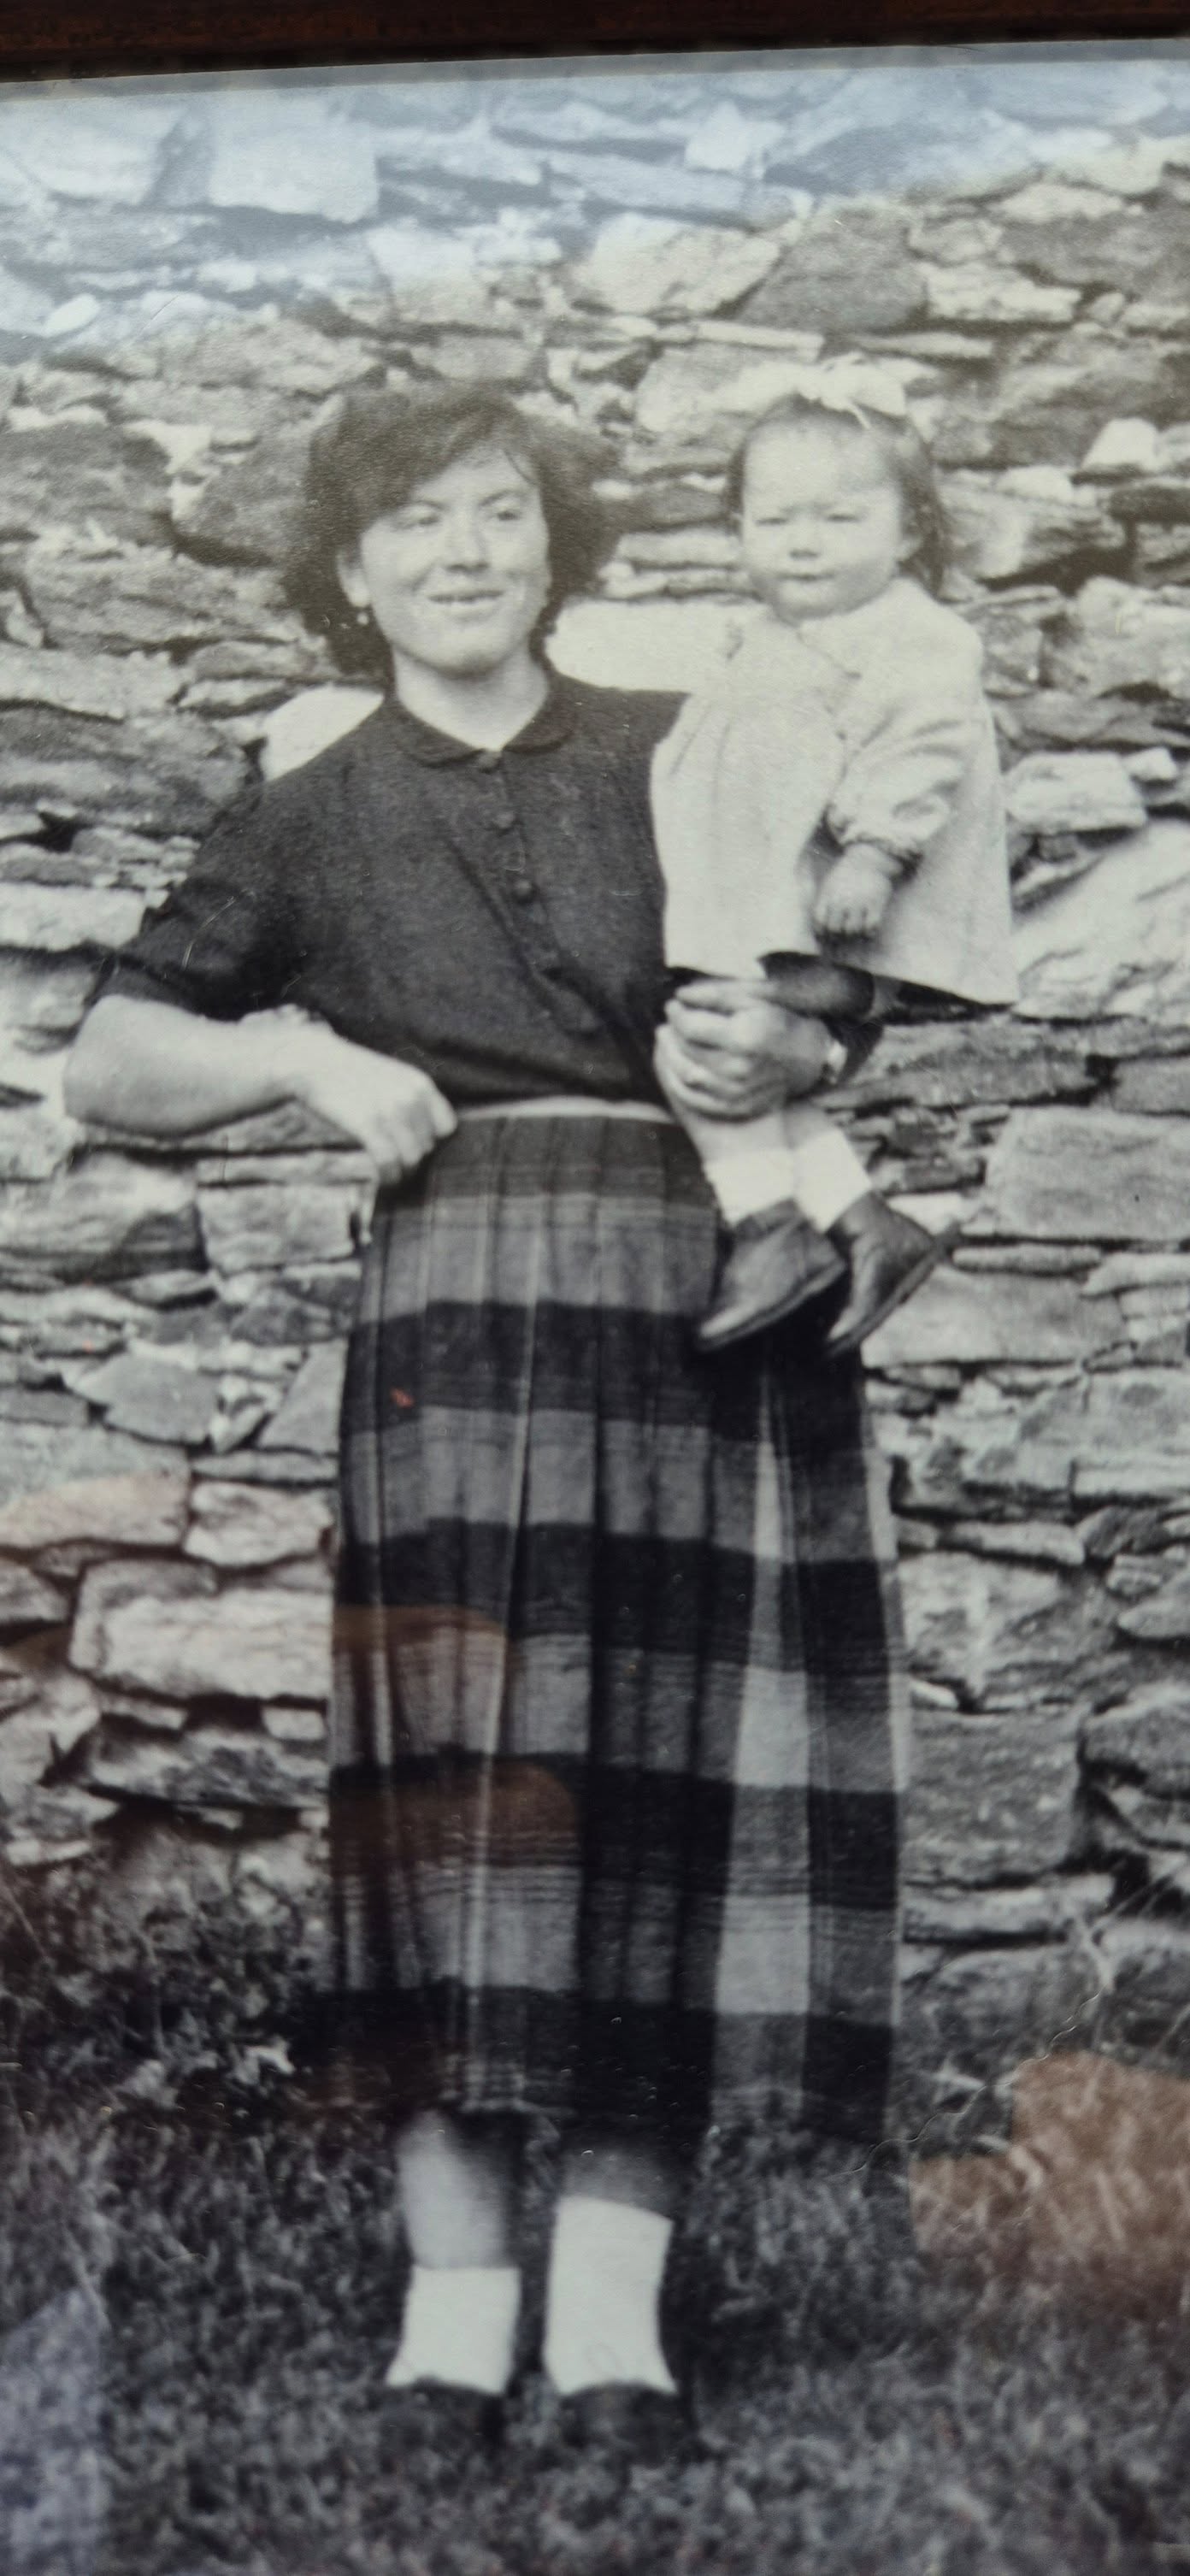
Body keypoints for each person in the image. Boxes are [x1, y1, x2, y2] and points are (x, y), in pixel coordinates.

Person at [64, 385, 910, 2464]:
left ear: (555, 546)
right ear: (350, 575)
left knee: (657, 1787)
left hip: (710, 1293)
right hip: (458, 1304)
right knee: (453, 1793)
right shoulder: (312, 807)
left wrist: (786, 1039)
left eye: (500, 513)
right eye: (416, 523)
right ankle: (453, 2323)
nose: (463, 551)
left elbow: (842, 981)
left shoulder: (676, 747)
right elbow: (108, 1061)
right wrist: (295, 1059)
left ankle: (612, 2325)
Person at [651, 362, 1017, 1356]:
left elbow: (923, 745)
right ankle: (859, 1223)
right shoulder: (770, 638)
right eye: (774, 520)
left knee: (709, 1034)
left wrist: (876, 852)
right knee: (706, 1039)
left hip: (850, 911)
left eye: (839, 519)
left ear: (909, 533)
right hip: (786, 914)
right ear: (739, 530)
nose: (802, 542)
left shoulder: (916, 636)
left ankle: (770, 1226)